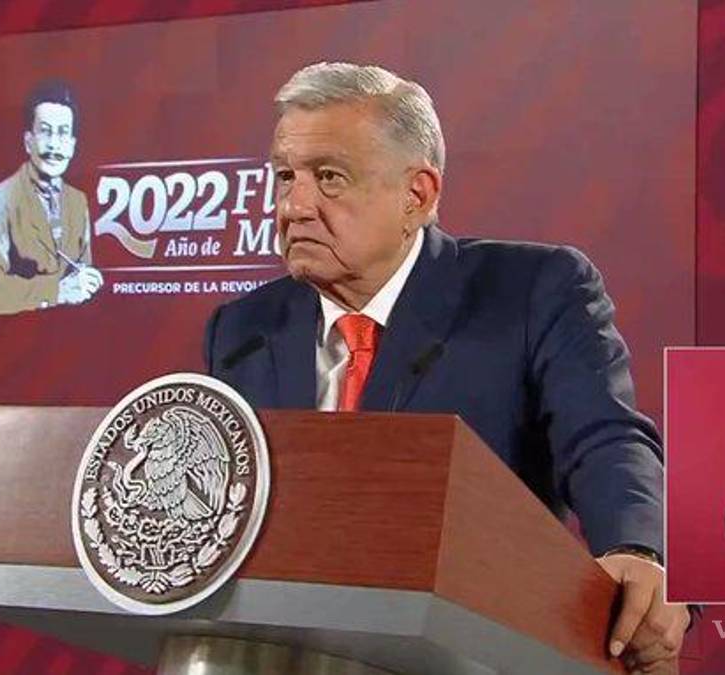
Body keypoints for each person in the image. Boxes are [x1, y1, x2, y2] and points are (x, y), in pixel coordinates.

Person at [203, 62, 688, 672]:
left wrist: (637, 548)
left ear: (418, 195)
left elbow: (605, 437)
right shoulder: (242, 329)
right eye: (285, 177)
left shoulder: (530, 291)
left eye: (329, 178)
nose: (295, 205)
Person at [0, 80, 103, 315]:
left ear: (72, 146)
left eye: (63, 133)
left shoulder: (78, 202)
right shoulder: (0, 200)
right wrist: (56, 291)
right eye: (45, 132)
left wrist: (89, 282)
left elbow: (81, 281)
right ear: (28, 141)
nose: (54, 146)